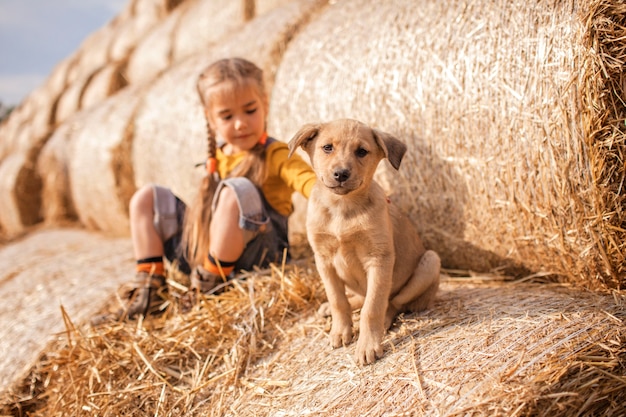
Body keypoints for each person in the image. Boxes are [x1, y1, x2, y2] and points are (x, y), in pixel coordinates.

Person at [93, 57, 316, 324]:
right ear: (211, 119)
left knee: (236, 190)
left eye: (249, 110)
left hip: (259, 260)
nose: (240, 123)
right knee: (147, 197)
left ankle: (208, 289)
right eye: (227, 116)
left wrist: (349, 198)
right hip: (204, 259)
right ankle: (150, 290)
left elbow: (308, 182)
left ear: (265, 105)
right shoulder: (217, 156)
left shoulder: (277, 154)